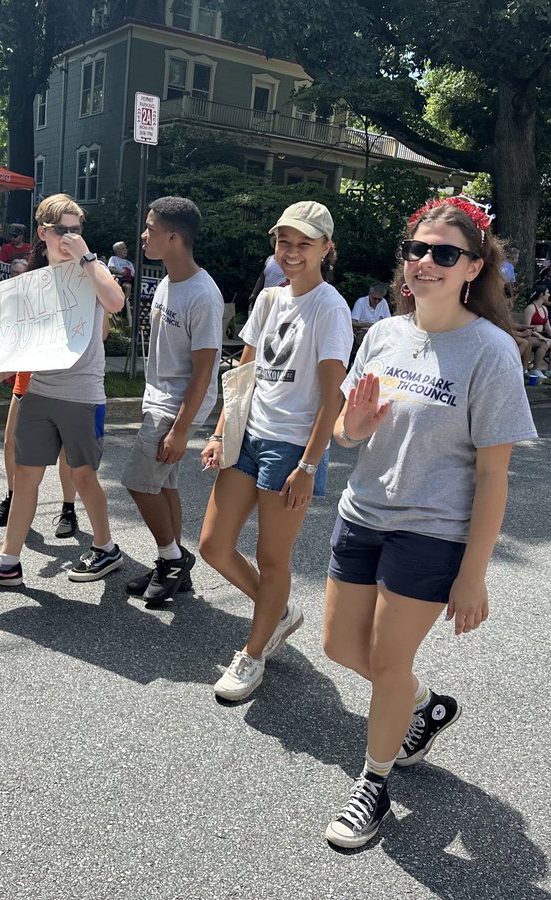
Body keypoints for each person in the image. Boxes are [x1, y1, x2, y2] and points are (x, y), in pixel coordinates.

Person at [321, 196, 537, 849]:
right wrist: (349, 427)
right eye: (417, 250)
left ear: (474, 266)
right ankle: (426, 707)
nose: (425, 262)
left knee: (388, 662)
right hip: (362, 513)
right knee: (337, 647)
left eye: (445, 253)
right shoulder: (384, 335)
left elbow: (494, 475)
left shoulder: (490, 351)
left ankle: (373, 782)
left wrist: (473, 576)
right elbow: (344, 429)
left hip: (432, 530)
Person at [199, 201, 350, 701]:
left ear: (326, 249)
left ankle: (254, 653)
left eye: (304, 243)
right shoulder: (268, 300)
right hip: (249, 436)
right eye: (284, 242)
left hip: (290, 447)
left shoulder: (330, 307)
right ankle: (279, 611)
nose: (291, 252)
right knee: (213, 546)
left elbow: (333, 398)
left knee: (272, 558)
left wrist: (309, 464)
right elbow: (242, 377)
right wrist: (222, 432)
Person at [0, 193, 126, 588]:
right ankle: (8, 561)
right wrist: (0, 369)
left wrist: (87, 258)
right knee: (25, 474)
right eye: (61, 230)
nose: (69, 237)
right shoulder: (33, 281)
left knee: (83, 476)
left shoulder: (91, 270)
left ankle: (106, 547)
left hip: (81, 393)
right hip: (40, 390)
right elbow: (26, 340)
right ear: (43, 233)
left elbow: (115, 303)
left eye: (76, 230)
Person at [123, 197, 222, 602]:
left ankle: (171, 558)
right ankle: (175, 567)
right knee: (163, 484)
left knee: (136, 481)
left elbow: (204, 371)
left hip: (178, 404)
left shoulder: (203, 294)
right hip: (160, 397)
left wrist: (180, 431)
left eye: (150, 228)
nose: (144, 235)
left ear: (173, 237)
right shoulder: (167, 280)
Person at [0, 256, 84, 539]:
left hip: (58, 387)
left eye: (24, 275)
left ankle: (68, 509)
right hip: (24, 383)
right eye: (15, 275)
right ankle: (12, 497)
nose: (18, 279)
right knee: (10, 444)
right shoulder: (16, 307)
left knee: (67, 452)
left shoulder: (60, 303)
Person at [522, 286, 551, 380]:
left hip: (541, 335)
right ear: (541, 294)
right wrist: (539, 336)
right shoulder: (530, 308)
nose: (549, 295)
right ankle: (535, 369)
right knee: (544, 343)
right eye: (547, 292)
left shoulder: (544, 308)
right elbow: (526, 327)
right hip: (530, 336)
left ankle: (550, 370)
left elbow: (548, 327)